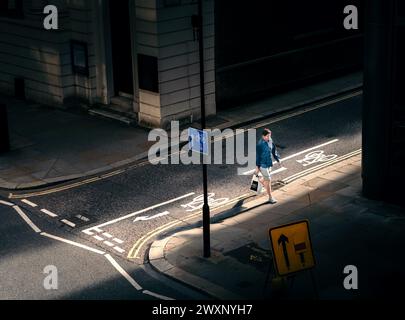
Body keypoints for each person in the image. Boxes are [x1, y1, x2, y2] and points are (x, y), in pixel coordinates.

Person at [255, 128, 281, 204]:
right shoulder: (260, 144)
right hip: (263, 165)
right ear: (263, 136)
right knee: (268, 180)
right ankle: (270, 197)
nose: (269, 138)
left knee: (265, 179)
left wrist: (277, 159)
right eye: (267, 136)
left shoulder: (270, 141)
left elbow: (274, 150)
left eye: (270, 136)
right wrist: (257, 167)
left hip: (269, 163)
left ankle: (260, 181)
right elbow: (258, 156)